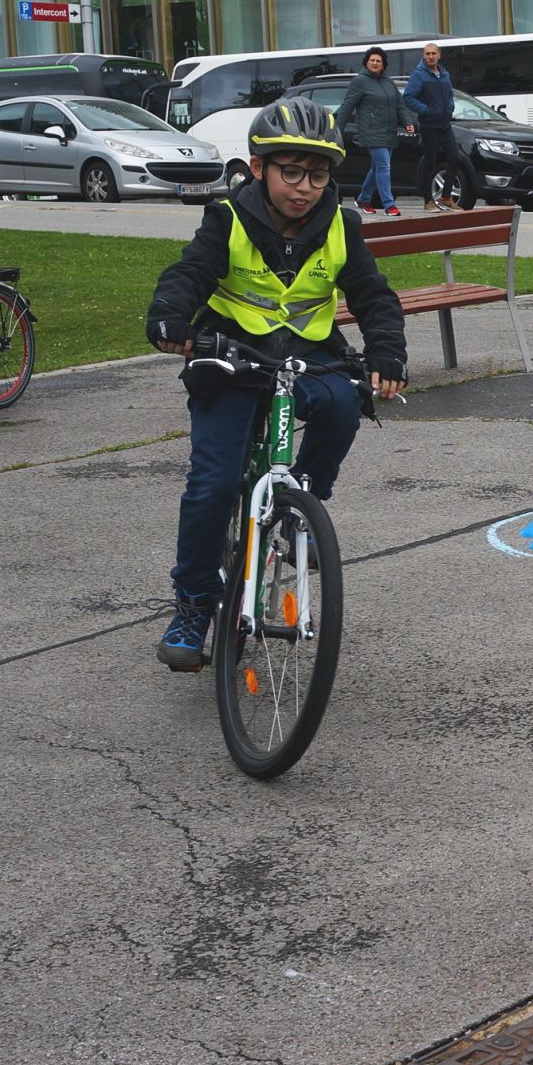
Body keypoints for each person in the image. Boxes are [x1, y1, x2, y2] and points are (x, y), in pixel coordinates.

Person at [144, 99, 408, 671]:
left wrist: (386, 352)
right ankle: (193, 604)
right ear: (258, 167)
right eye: (291, 171)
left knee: (343, 403)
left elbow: (373, 296)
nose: (305, 187)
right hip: (233, 357)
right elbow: (190, 271)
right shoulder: (228, 218)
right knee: (213, 484)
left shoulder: (341, 223)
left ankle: (299, 504)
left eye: (317, 175)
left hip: (308, 356)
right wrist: (170, 314)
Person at [333, 46, 415, 217]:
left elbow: (400, 105)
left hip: (388, 131)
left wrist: (408, 122)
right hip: (370, 131)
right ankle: (389, 204)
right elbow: (347, 107)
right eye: (372, 61)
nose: (375, 63)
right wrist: (337, 131)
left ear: (383, 64)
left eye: (378, 61)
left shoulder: (388, 82)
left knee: (377, 168)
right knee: (384, 166)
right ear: (366, 62)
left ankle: (363, 198)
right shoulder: (360, 81)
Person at [402, 43, 459, 211]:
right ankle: (428, 201)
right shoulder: (419, 75)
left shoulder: (444, 73)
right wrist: (427, 110)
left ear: (439, 55)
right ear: (423, 55)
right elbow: (408, 97)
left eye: (434, 53)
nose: (431, 56)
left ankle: (446, 197)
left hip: (445, 124)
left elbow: (449, 94)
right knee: (430, 162)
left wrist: (450, 108)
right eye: (428, 53)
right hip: (429, 125)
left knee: (455, 158)